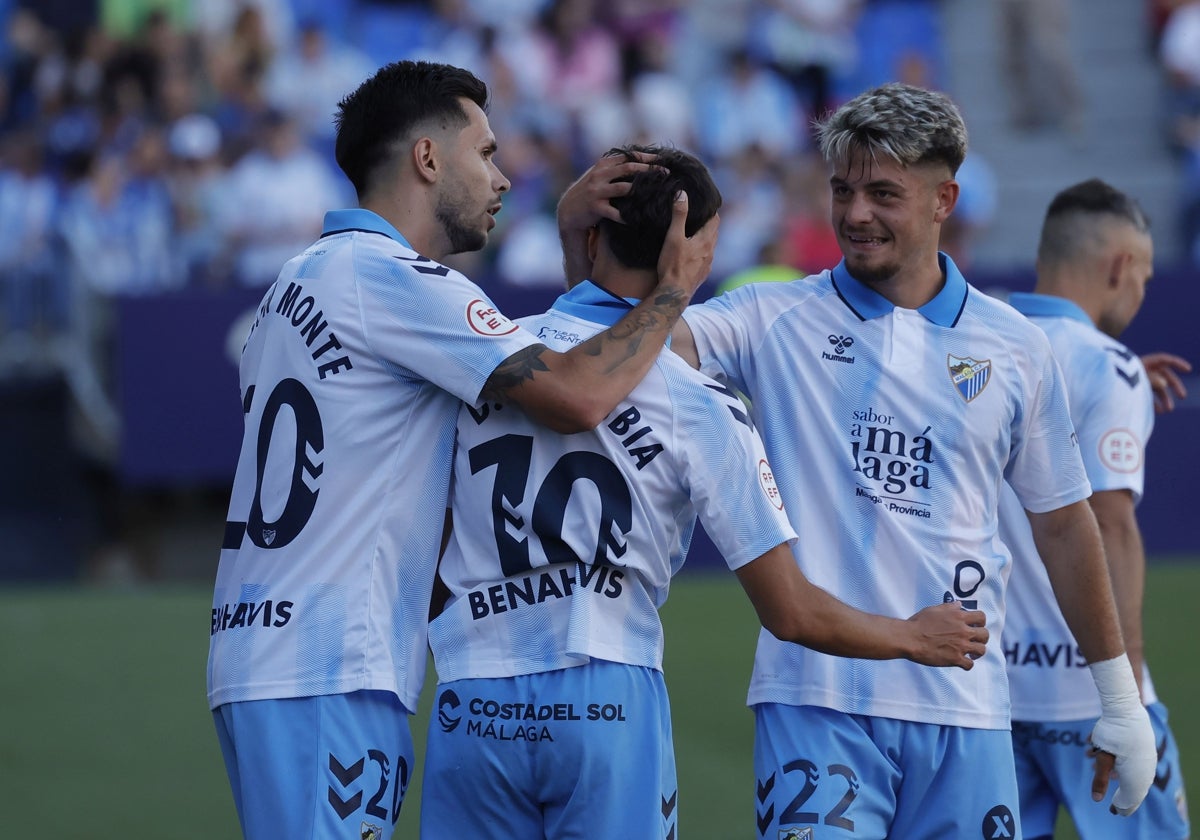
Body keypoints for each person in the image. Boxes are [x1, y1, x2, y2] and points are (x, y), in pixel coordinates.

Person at [205, 60, 719, 840]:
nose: (502, 178)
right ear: (426, 159)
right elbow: (576, 394)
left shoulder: (298, 280)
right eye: (485, 153)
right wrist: (672, 291)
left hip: (271, 652)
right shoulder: (397, 280)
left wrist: (571, 250)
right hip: (329, 666)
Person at [421, 144, 989, 839]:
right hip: (608, 695)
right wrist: (909, 636)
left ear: (592, 236)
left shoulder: (495, 356)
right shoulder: (702, 404)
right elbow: (791, 611)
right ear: (688, 258)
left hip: (472, 694)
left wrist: (576, 234)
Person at [655, 82, 1158, 838]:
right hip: (817, 701)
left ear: (943, 199)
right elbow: (644, 349)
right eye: (843, 190)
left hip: (967, 709)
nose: (856, 214)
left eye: (884, 193)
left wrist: (1121, 701)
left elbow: (1063, 524)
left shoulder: (1015, 345)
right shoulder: (772, 316)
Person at [1000, 179, 1191, 840]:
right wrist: (1128, 697)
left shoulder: (974, 340)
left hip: (983, 694)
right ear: (1119, 268)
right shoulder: (1105, 367)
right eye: (1140, 275)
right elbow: (1109, 526)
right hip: (1086, 695)